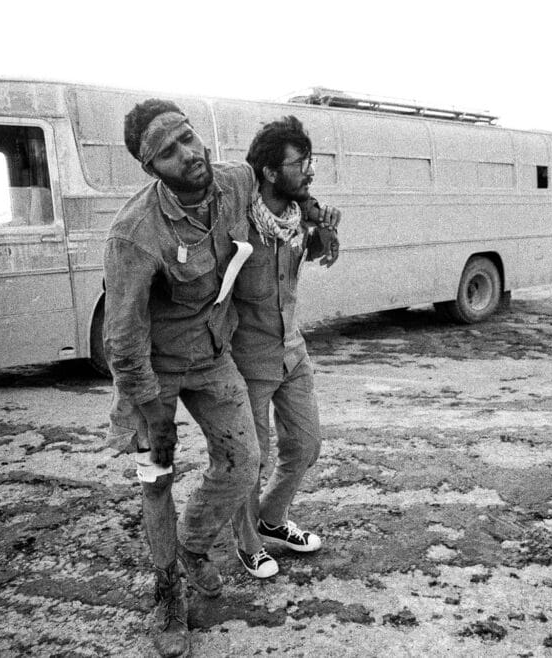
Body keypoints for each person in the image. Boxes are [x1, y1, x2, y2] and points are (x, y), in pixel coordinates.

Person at [103, 99, 260, 658]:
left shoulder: (235, 183)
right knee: (157, 478)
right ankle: (167, 590)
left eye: (188, 138)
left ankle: (193, 546)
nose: (189, 154)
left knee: (245, 461)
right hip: (152, 373)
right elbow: (122, 339)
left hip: (213, 355)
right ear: (151, 169)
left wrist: (314, 211)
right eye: (169, 151)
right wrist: (152, 412)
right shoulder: (134, 234)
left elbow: (274, 191)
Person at [228, 116, 340, 579]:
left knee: (307, 444)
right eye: (300, 164)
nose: (309, 172)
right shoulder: (239, 221)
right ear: (271, 172)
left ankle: (272, 519)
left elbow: (305, 257)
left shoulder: (297, 217)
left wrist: (326, 230)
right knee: (247, 458)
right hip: (248, 359)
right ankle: (247, 541)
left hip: (293, 352)